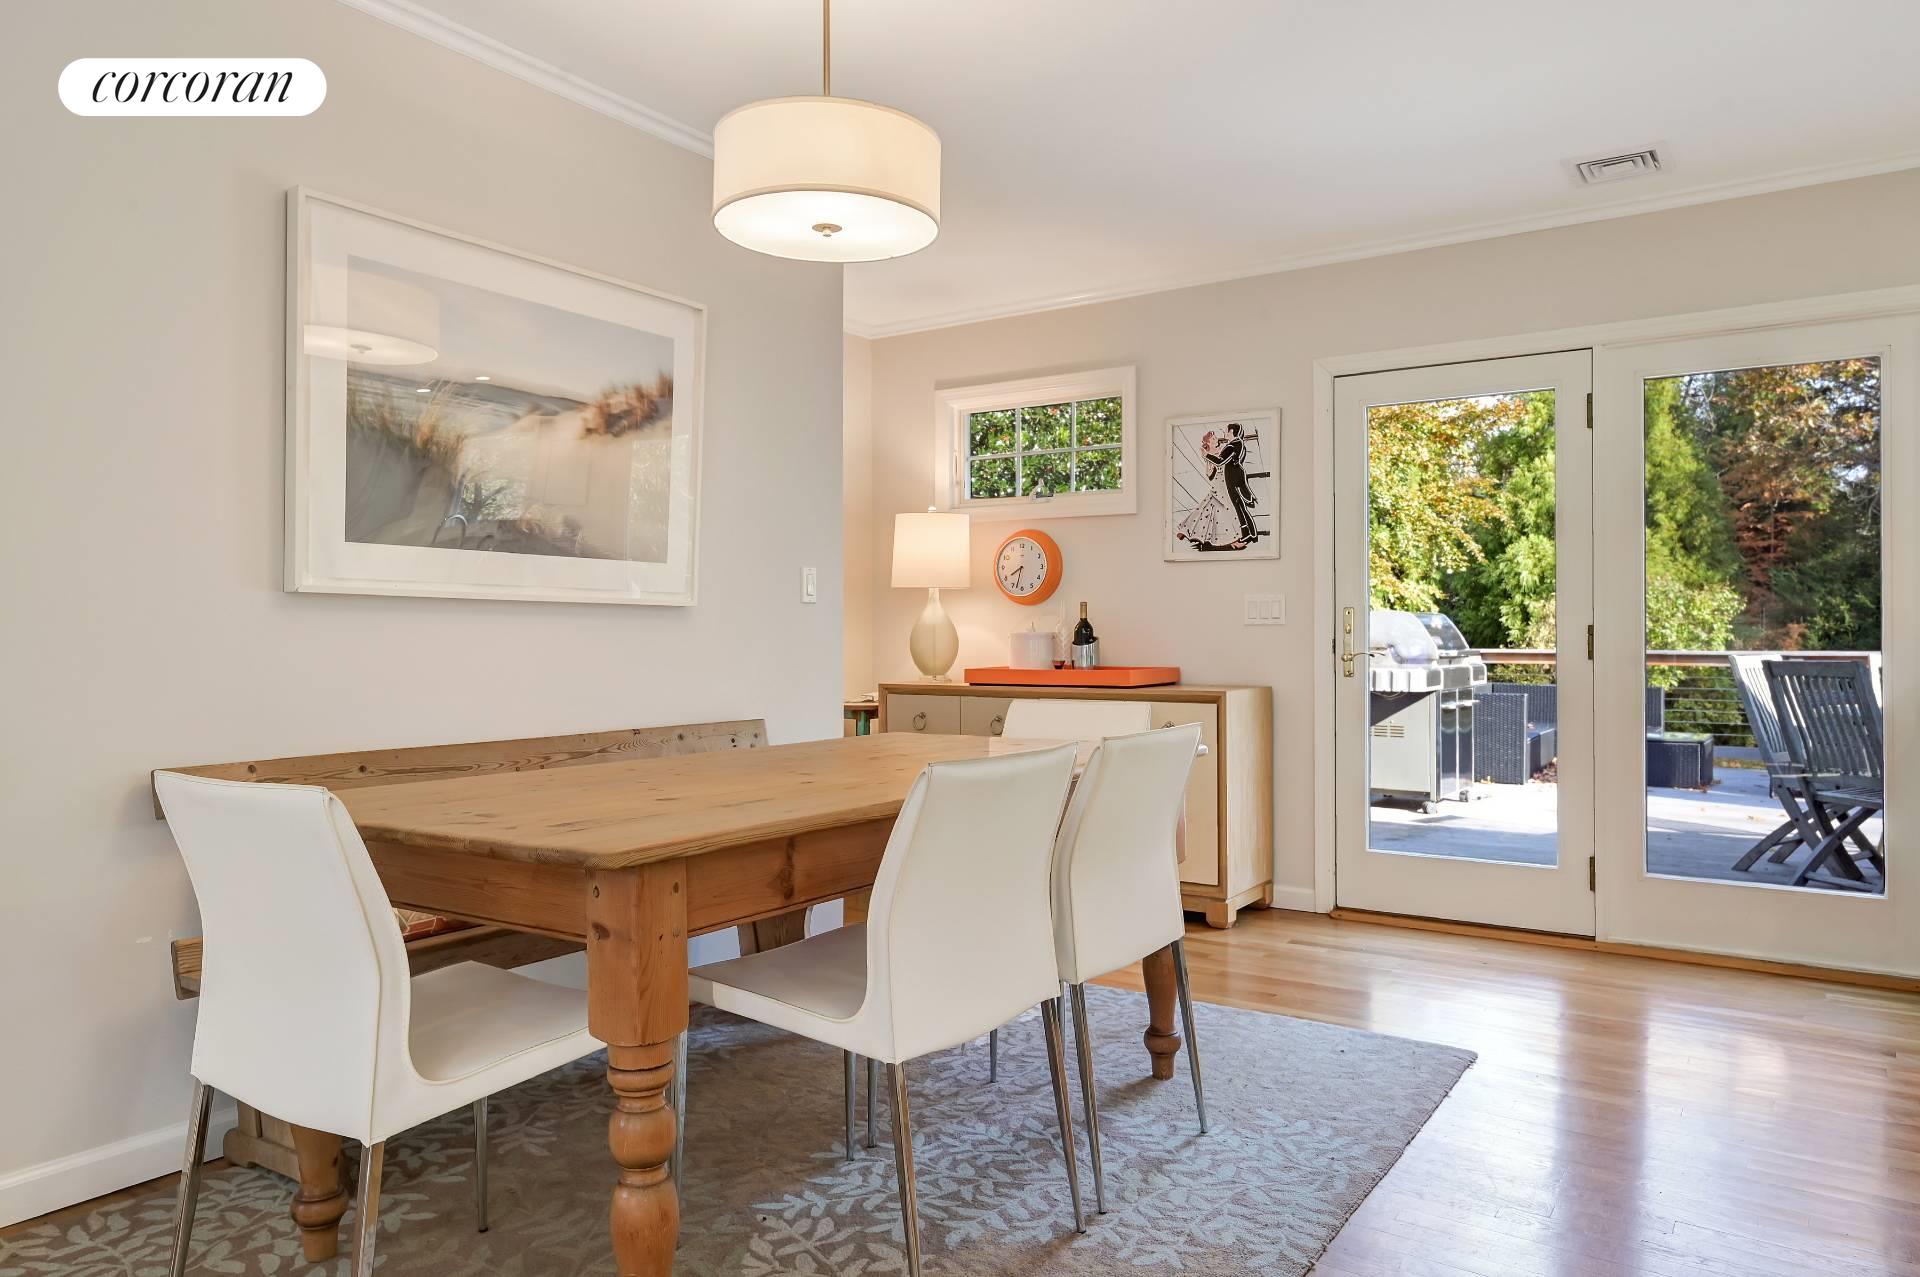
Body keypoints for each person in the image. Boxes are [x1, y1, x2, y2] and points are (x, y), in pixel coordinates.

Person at [1174, 430, 1234, 548]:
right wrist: (1213, 464)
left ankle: (1187, 531)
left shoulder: (1221, 450)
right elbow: (1209, 473)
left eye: (1215, 438)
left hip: (1224, 484)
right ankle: (1187, 530)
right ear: (1208, 443)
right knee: (1218, 510)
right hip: (1219, 485)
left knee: (1207, 509)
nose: (1216, 439)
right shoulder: (1210, 454)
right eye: (1213, 439)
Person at [1218, 422, 1257, 549]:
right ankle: (1247, 534)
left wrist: (1206, 455)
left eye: (1226, 431)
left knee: (1239, 507)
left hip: (1234, 478)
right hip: (1233, 478)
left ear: (1231, 432)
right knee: (1238, 507)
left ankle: (1248, 535)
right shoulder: (1235, 444)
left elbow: (1220, 461)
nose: (1224, 433)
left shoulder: (1234, 444)